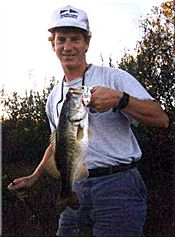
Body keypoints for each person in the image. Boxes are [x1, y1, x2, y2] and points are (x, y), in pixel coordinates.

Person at [8, 5, 169, 237]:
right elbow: (59, 143)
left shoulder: (114, 77)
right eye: (61, 39)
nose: (68, 46)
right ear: (52, 44)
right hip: (76, 186)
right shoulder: (53, 97)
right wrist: (35, 176)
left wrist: (119, 99)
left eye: (75, 39)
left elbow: (161, 119)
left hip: (118, 185)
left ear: (87, 43)